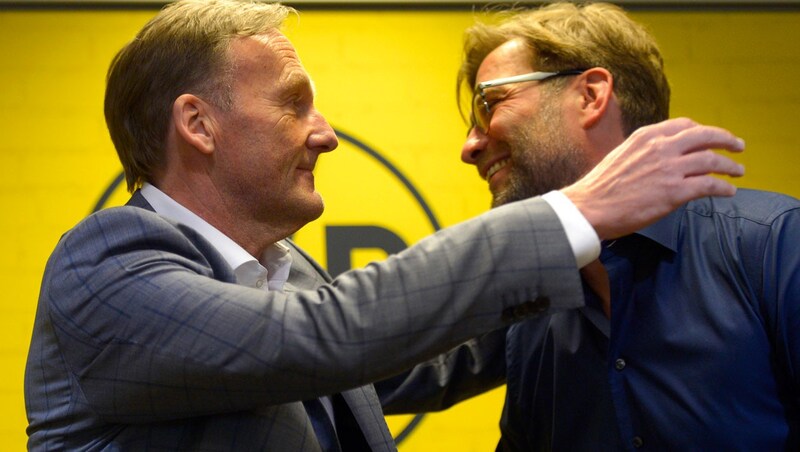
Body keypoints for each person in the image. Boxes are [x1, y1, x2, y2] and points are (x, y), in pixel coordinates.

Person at [23, 1, 746, 450]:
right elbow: (319, 337)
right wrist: (572, 216)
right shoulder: (107, 265)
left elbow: (415, 351)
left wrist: (585, 266)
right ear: (199, 125)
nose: (325, 134)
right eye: (293, 103)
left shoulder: (288, 270)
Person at [451, 2, 798, 450]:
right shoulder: (531, 313)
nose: (470, 145)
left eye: (489, 103)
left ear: (590, 96)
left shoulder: (772, 245)